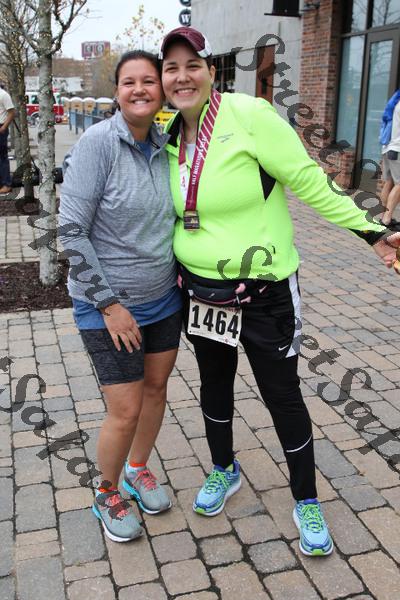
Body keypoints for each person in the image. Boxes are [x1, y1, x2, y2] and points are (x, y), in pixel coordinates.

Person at [159, 26, 400, 557]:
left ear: (211, 71)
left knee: (282, 395)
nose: (182, 76)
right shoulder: (166, 131)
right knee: (214, 385)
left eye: (193, 65)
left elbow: (310, 181)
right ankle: (224, 468)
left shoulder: (251, 115)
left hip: (264, 292)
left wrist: (371, 232)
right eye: (171, 67)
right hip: (202, 293)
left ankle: (306, 499)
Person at [59, 51, 182, 543]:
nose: (140, 89)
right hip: (108, 306)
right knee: (125, 408)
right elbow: (71, 231)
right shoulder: (98, 143)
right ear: (116, 91)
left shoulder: (165, 142)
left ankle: (137, 469)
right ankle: (107, 492)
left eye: (149, 80)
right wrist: (109, 305)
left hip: (163, 298)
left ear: (161, 91)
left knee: (155, 391)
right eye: (129, 82)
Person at [380, 89, 400, 229]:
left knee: (390, 182)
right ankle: (386, 220)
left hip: (387, 147)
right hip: (397, 149)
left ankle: (384, 216)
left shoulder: (395, 101)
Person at [0, 83, 15, 195]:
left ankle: (6, 184)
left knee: (2, 157)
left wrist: (4, 127)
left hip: (1, 127)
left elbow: (12, 112)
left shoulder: (3, 95)